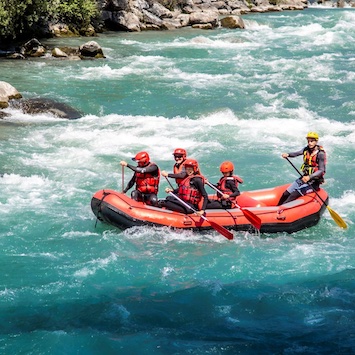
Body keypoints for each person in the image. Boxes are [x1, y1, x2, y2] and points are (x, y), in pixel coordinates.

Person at [277, 131, 326, 205]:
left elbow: (321, 170)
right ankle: (276, 208)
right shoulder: (306, 149)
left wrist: (309, 177)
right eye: (308, 141)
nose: (309, 143)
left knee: (293, 195)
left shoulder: (320, 154)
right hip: (304, 178)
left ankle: (281, 211)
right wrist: (288, 154)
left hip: (314, 182)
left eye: (312, 141)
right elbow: (297, 153)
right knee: (286, 194)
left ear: (316, 142)